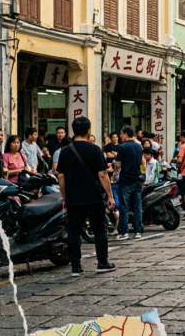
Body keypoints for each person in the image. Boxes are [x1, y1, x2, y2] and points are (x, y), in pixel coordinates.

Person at [56, 117, 117, 277]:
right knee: (99, 229)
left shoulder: (65, 151)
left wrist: (64, 198)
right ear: (89, 131)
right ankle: (102, 263)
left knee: (74, 231)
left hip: (73, 198)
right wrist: (110, 196)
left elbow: (60, 176)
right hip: (93, 197)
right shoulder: (95, 150)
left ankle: (76, 267)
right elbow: (103, 175)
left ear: (73, 131)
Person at [116, 125, 144, 240]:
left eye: (121, 134)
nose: (120, 136)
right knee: (137, 207)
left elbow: (118, 164)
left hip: (126, 180)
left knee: (124, 207)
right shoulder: (139, 146)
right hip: (137, 179)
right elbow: (142, 162)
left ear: (126, 134)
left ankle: (124, 232)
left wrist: (113, 173)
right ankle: (138, 231)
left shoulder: (122, 147)